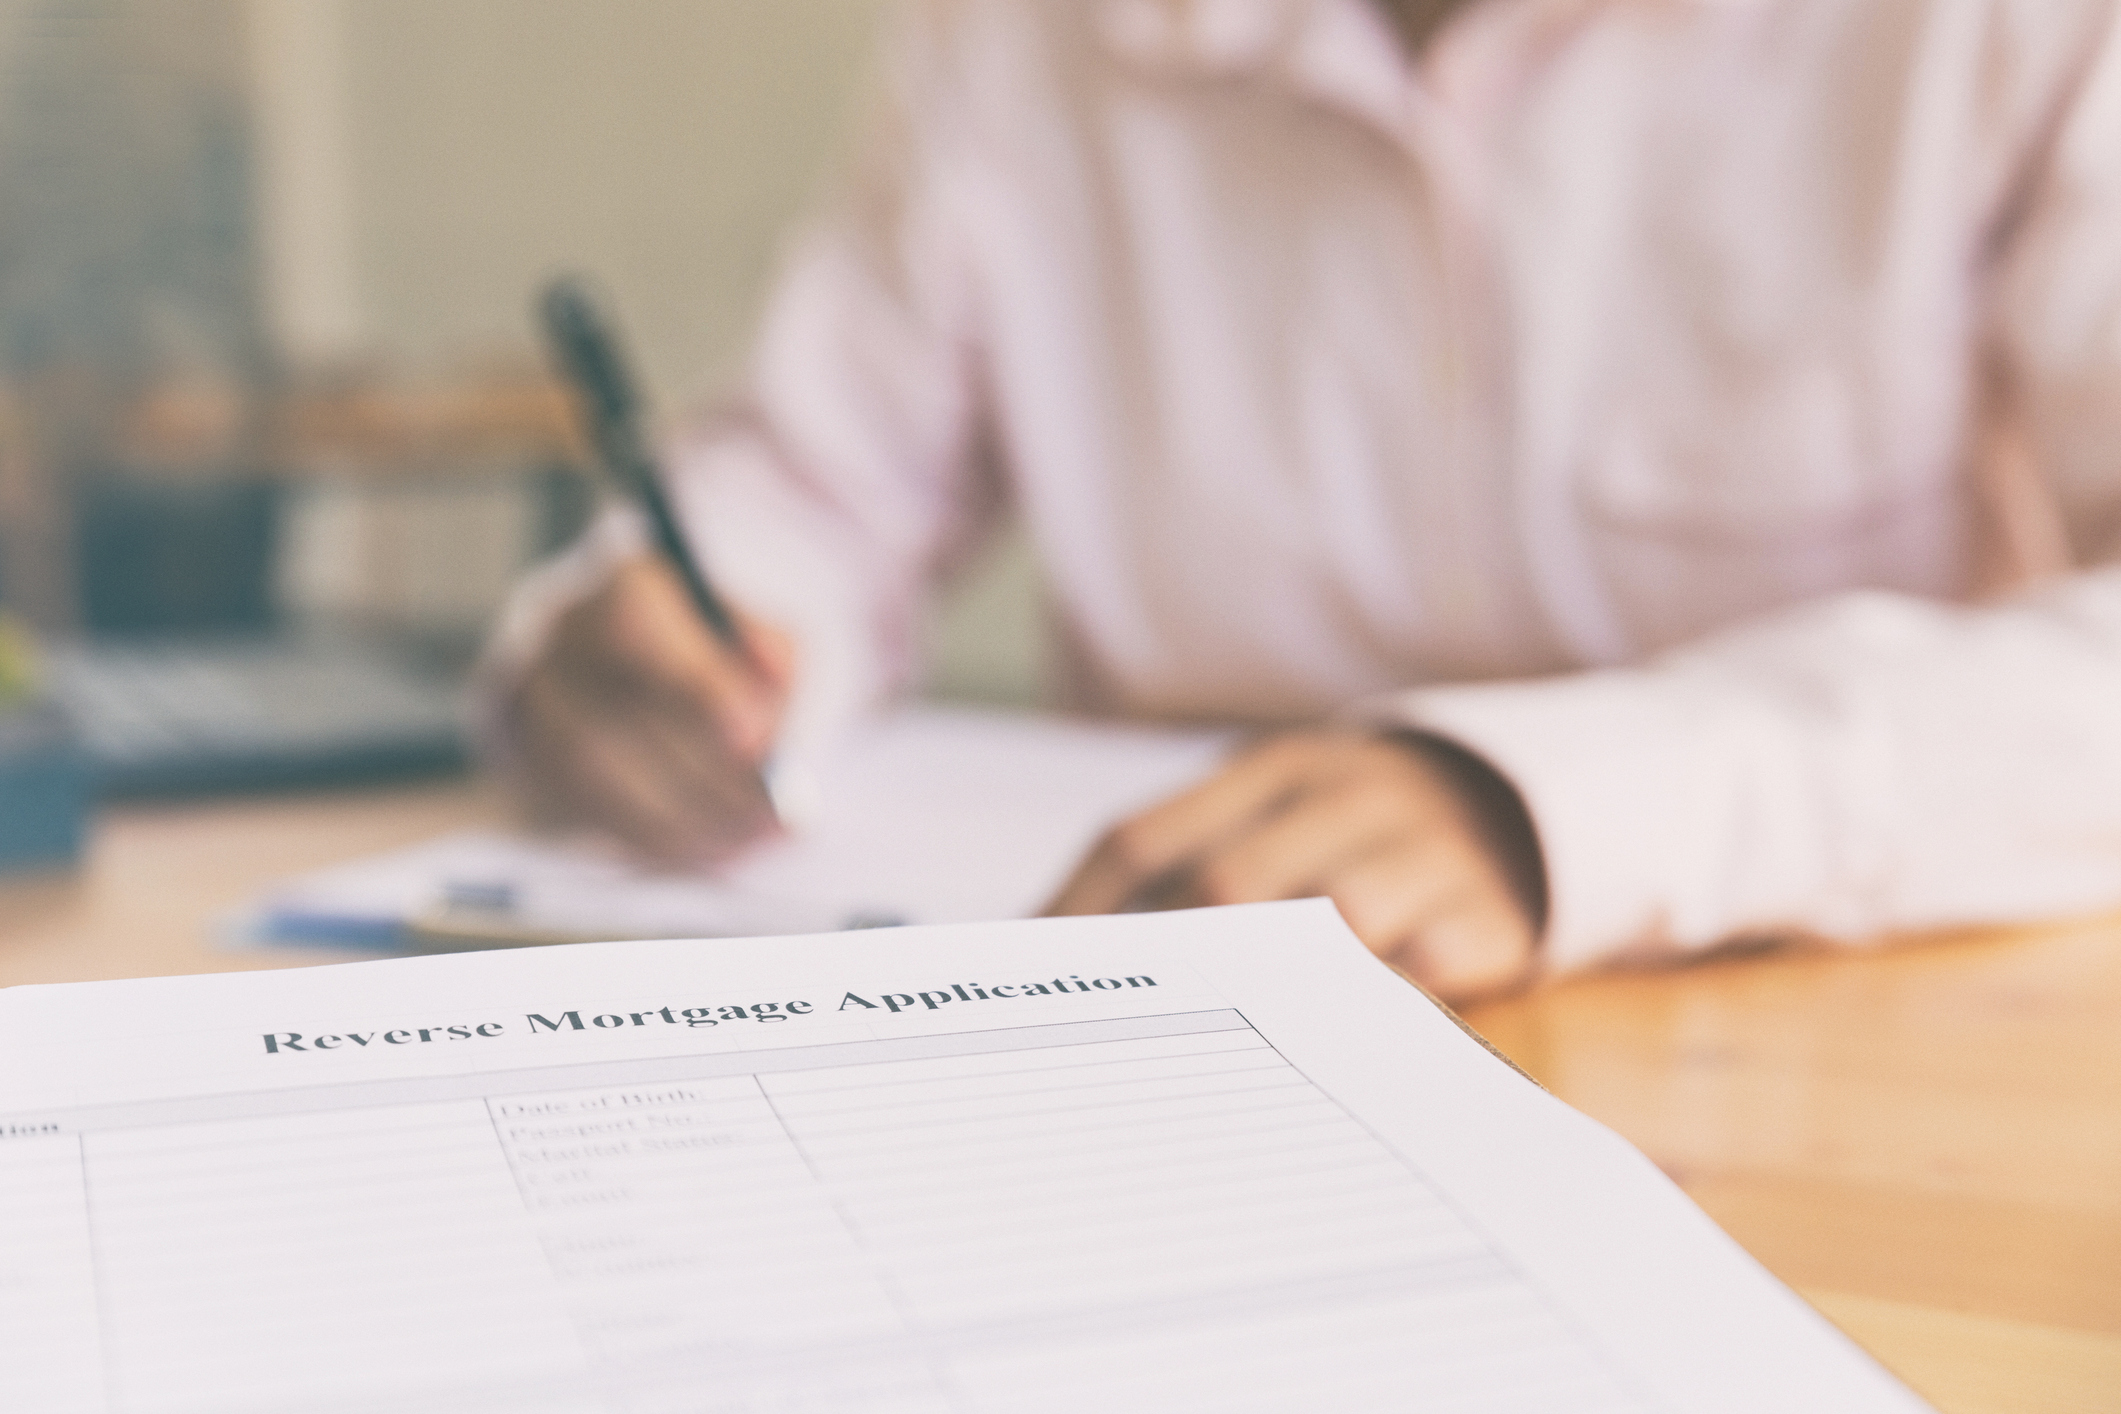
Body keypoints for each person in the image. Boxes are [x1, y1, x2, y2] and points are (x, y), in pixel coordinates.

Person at [478, 0, 2121, 1003]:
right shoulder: (1026, 31)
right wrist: (686, 616)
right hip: (1165, 1011)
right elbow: (812, 486)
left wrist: (1544, 804)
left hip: (1840, 1029)